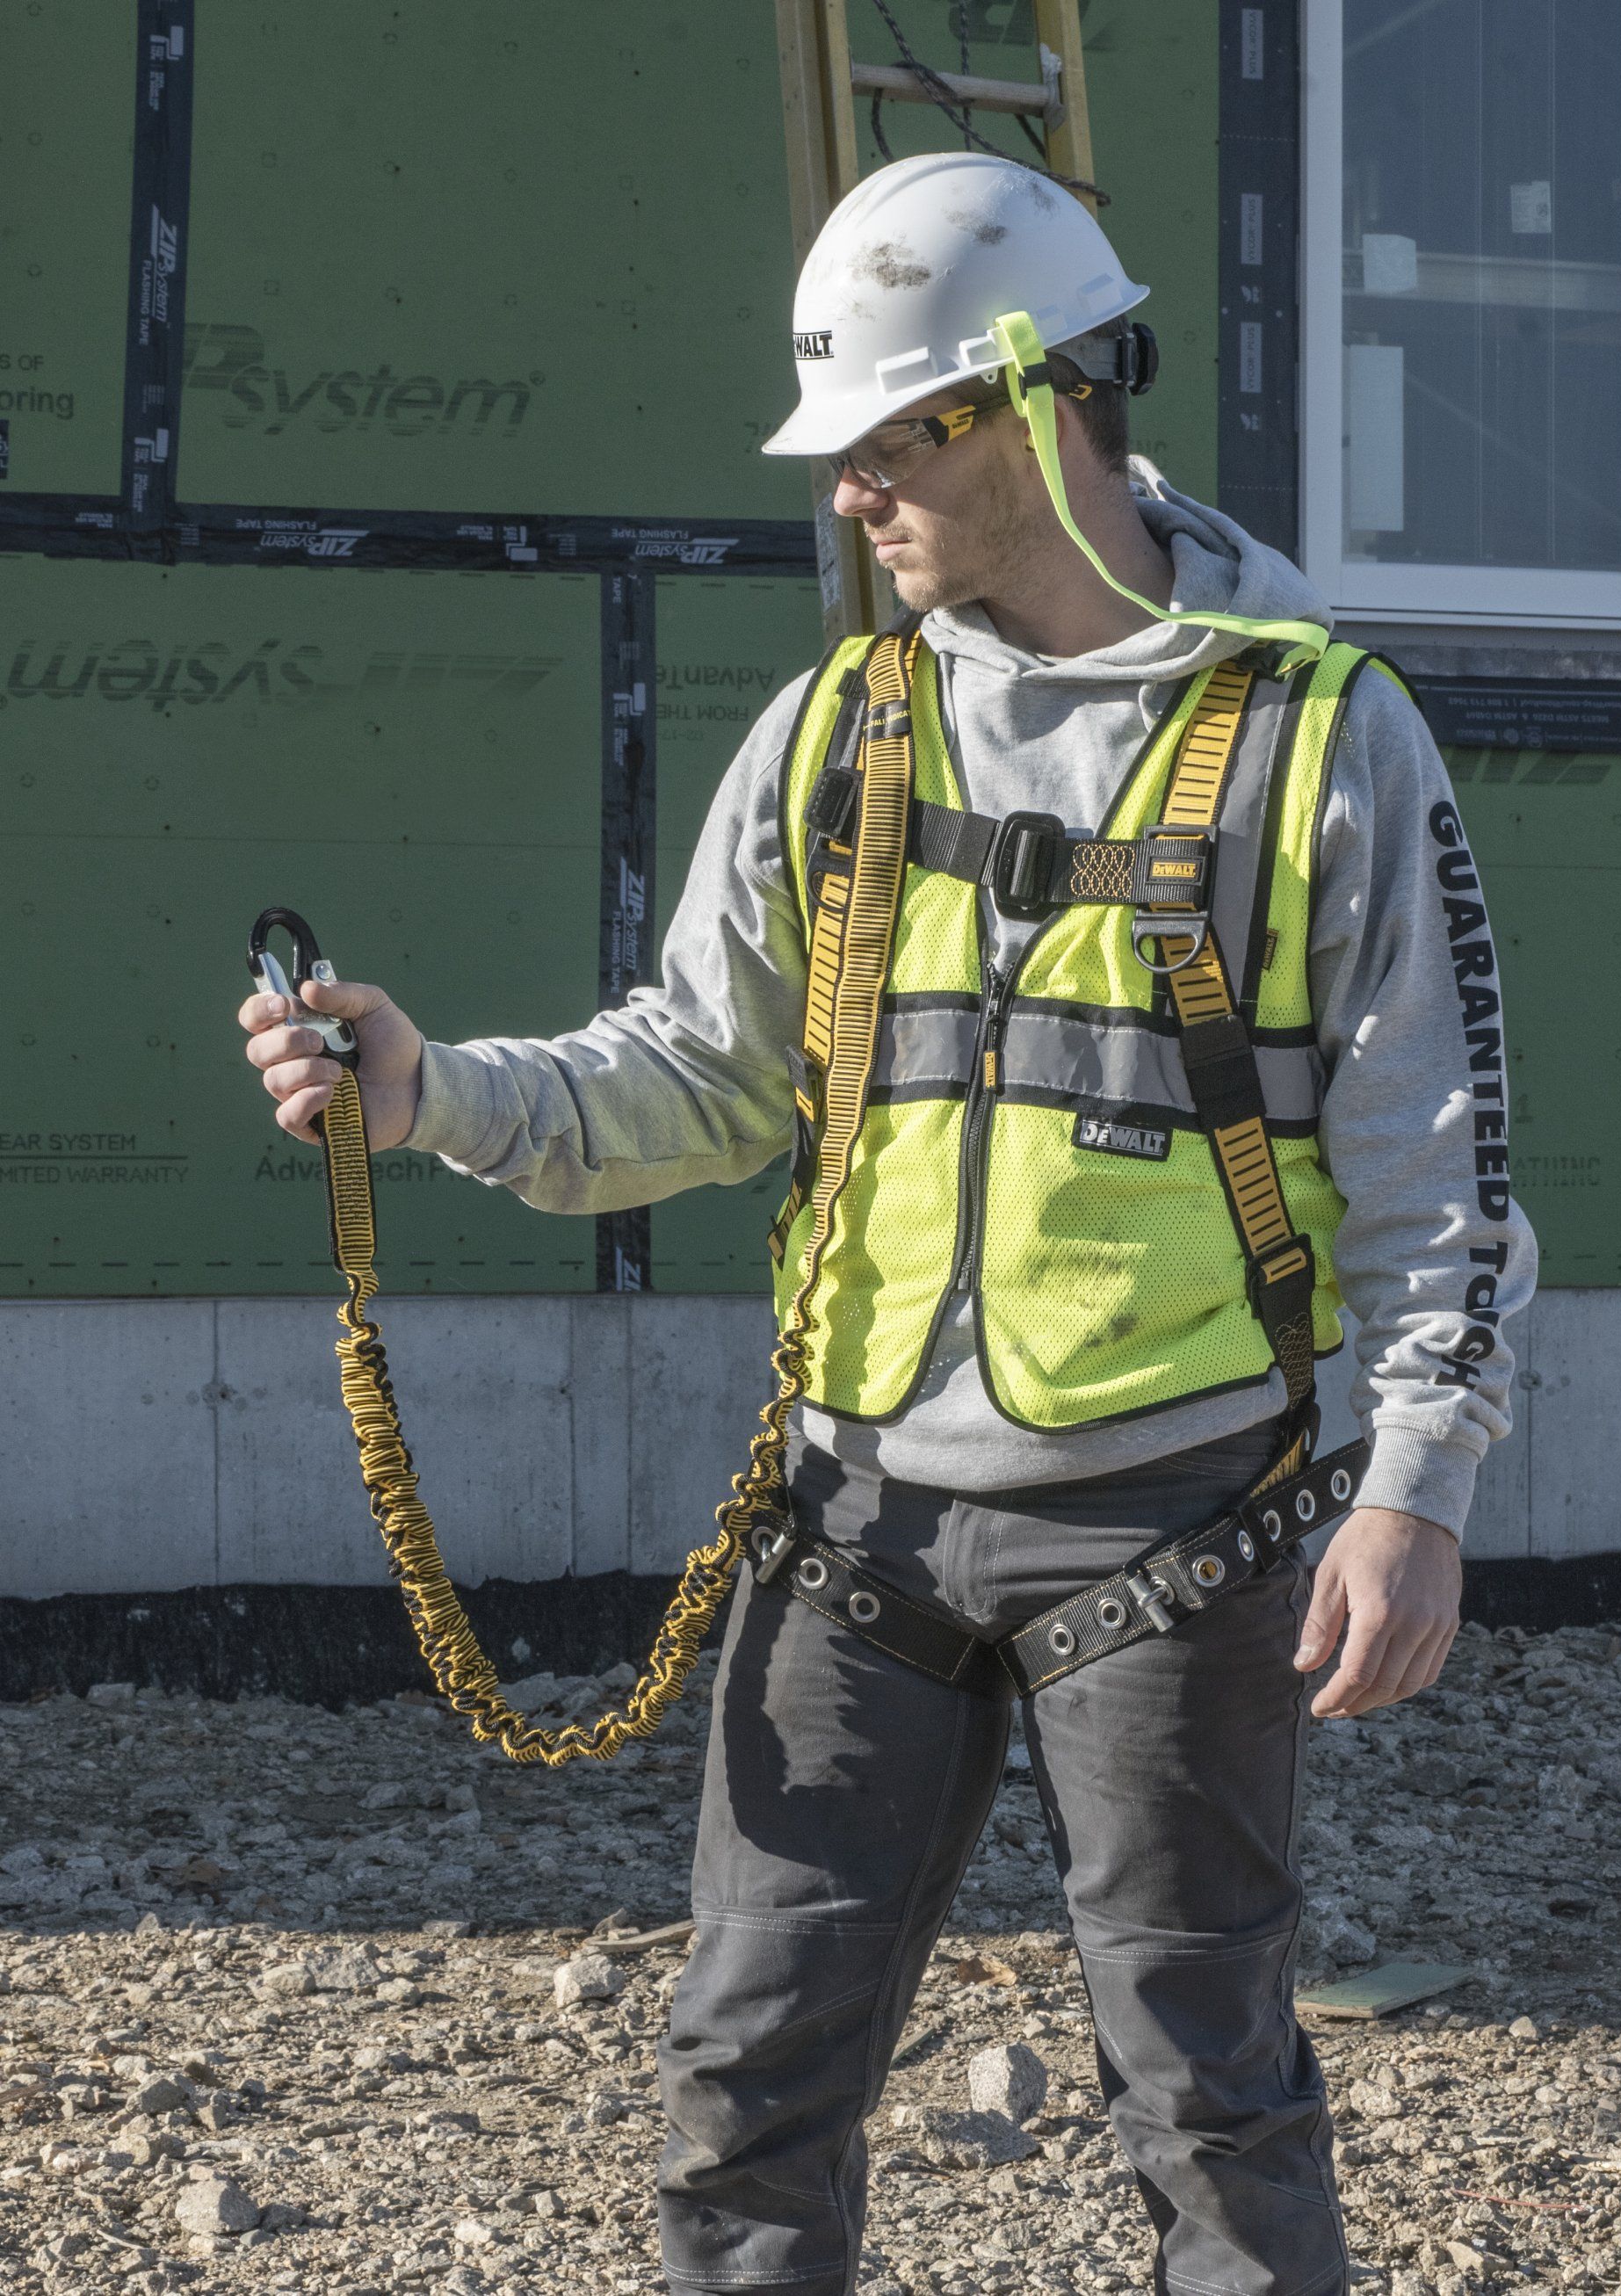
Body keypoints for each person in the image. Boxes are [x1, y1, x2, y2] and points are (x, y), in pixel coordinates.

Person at [238, 153, 1534, 2296]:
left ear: (1029, 399)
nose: (847, 488)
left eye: (883, 434)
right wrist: (428, 1091)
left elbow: (1442, 1170)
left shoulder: (1327, 740)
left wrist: (1417, 1487)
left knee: (1208, 2093)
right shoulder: (842, 730)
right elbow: (697, 1071)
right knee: (745, 2075)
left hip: (1177, 1522)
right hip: (855, 1526)